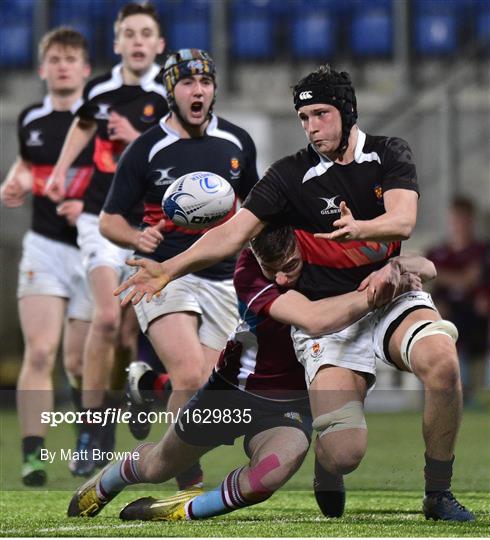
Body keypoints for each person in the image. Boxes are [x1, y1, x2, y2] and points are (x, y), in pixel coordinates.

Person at [116, 65, 475, 521]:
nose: (311, 127)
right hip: (332, 316)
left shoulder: (389, 154)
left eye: (321, 114)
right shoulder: (288, 175)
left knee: (442, 362)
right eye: (304, 117)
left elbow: (403, 220)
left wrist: (363, 230)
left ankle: (438, 493)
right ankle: (328, 470)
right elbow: (232, 233)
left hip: (389, 294)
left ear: (347, 111)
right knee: (344, 452)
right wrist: (168, 269)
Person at [67, 224, 425, 520]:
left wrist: (396, 270)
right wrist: (379, 292)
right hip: (234, 392)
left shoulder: (330, 250)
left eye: (289, 266)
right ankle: (109, 479)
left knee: (269, 474)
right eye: (274, 271)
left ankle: (184, 510)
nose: (283, 279)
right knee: (158, 466)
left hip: (291, 406)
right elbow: (314, 320)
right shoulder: (248, 272)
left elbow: (418, 261)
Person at [99, 48, 259, 490]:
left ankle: (152, 386)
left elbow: (255, 208)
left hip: (225, 278)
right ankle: (186, 482)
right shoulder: (146, 148)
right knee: (190, 375)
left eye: (205, 82)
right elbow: (109, 219)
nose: (198, 90)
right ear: (172, 90)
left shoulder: (238, 142)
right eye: (188, 83)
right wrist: (136, 237)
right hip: (165, 272)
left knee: (208, 389)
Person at [44, 2, 168, 476]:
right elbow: (83, 125)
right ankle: (91, 432)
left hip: (150, 230)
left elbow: (173, 155)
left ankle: (113, 418)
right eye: (129, 34)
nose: (137, 41)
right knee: (104, 318)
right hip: (102, 220)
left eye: (146, 34)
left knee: (125, 336)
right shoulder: (101, 89)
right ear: (117, 43)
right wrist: (59, 172)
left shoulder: (170, 92)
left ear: (158, 45)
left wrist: (136, 135)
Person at [0, 27, 93, 486]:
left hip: (91, 247)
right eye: (54, 58)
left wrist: (89, 206)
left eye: (70, 58)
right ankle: (33, 455)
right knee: (40, 350)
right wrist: (13, 179)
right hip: (45, 245)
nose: (62, 65)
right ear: (42, 68)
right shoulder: (31, 119)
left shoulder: (100, 120)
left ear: (86, 69)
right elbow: (25, 162)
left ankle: (85, 438)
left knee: (79, 362)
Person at [426, 196, 489, 407]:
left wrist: (440, 274)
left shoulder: (481, 251)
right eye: (455, 219)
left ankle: (476, 395)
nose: (459, 225)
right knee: (435, 321)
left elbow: (471, 279)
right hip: (447, 314)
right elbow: (426, 280)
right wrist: (458, 278)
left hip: (475, 315)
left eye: (463, 219)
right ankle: (441, 395)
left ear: (471, 221)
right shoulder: (437, 252)